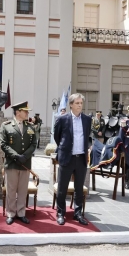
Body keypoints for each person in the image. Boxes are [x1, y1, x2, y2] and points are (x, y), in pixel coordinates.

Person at [53, 93, 91, 226]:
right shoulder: (62, 119)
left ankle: (78, 213)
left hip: (80, 158)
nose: (80, 105)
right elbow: (57, 137)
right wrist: (65, 148)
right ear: (71, 105)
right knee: (62, 187)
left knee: (79, 188)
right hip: (67, 158)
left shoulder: (87, 119)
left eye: (81, 103)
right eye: (77, 103)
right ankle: (60, 213)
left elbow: (87, 137)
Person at [0, 101, 37, 225]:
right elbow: (3, 144)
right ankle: (10, 213)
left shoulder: (31, 126)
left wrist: (25, 156)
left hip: (25, 163)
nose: (27, 113)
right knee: (11, 190)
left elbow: (33, 144)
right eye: (25, 111)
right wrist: (16, 156)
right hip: (12, 163)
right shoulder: (6, 126)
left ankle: (21, 213)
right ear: (18, 112)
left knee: (22, 190)